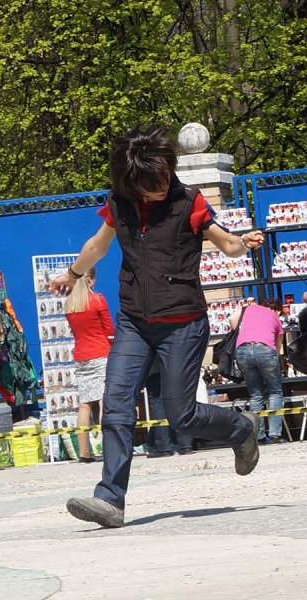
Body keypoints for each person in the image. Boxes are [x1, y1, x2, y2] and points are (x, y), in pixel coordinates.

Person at [50, 126, 265, 528]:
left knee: (182, 415)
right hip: (134, 321)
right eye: (153, 184)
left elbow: (224, 243)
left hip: (182, 321)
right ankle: (110, 500)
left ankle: (240, 427)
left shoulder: (190, 202)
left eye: (166, 176)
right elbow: (98, 244)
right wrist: (73, 273)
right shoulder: (120, 203)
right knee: (115, 405)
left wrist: (243, 242)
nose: (162, 187)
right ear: (131, 183)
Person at [63, 267, 114, 463]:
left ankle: (84, 453)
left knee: (84, 403)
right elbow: (108, 329)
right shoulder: (98, 299)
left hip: (81, 355)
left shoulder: (69, 304)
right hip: (101, 352)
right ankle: (109, 448)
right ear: (91, 279)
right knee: (103, 400)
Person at [230, 299, 287, 444]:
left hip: (242, 350)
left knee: (255, 395)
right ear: (278, 311)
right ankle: (275, 435)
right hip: (265, 350)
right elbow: (277, 347)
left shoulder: (250, 309)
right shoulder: (276, 318)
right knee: (275, 392)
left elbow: (231, 318)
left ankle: (259, 437)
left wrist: (241, 333)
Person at [144, 358, 194, 457]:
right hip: (180, 363)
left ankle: (163, 448)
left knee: (158, 403)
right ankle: (186, 445)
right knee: (181, 401)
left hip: (155, 366)